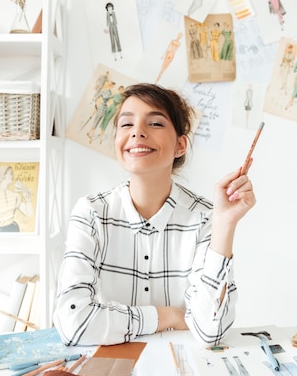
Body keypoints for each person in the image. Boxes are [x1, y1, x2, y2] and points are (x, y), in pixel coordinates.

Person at [53, 83, 256, 346]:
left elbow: (211, 332)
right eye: (126, 125)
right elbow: (73, 324)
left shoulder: (206, 217)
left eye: (155, 124)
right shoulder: (91, 213)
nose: (137, 132)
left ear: (180, 145)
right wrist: (167, 316)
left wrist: (224, 225)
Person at [0, 165, 33, 232]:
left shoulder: (14, 196)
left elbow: (29, 213)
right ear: (3, 175)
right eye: (11, 173)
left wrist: (27, 197)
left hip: (14, 228)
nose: (13, 175)